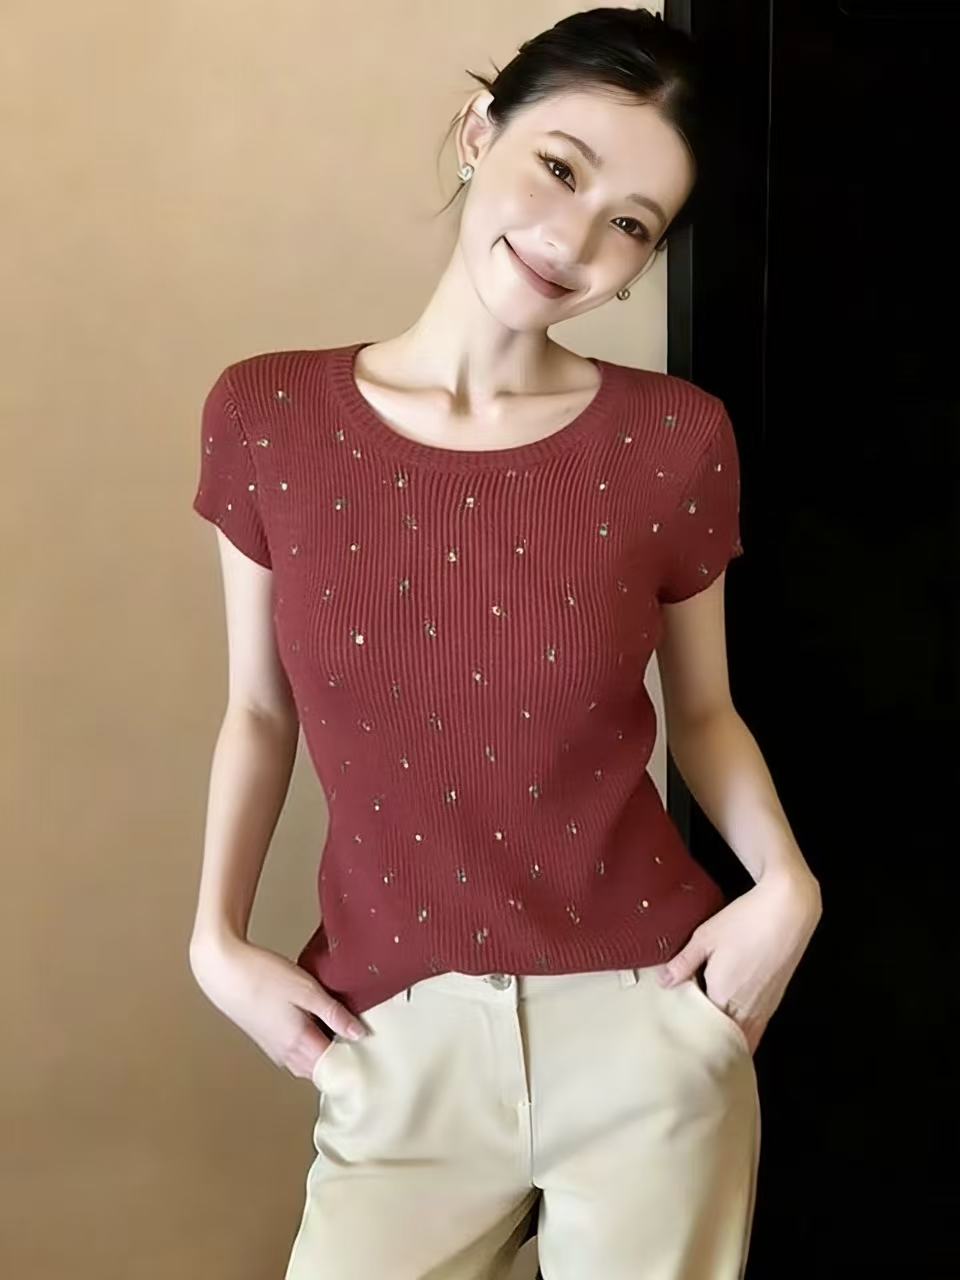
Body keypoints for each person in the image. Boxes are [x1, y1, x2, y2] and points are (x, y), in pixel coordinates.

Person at [188, 7, 823, 1278]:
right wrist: (217, 938)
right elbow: (260, 709)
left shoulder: (674, 438)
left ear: (645, 262)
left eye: (630, 223)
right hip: (395, 1029)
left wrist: (787, 887)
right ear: (482, 132)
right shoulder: (268, 414)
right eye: (560, 166)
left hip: (647, 1023)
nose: (573, 240)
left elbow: (703, 713)